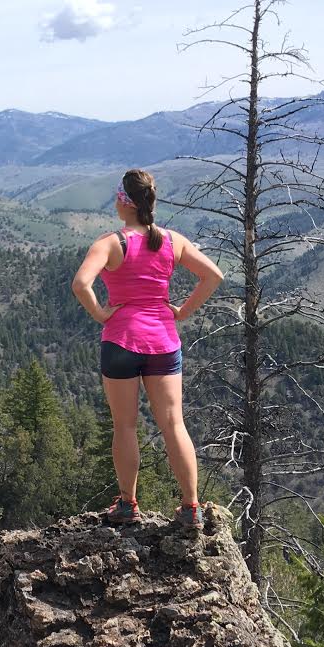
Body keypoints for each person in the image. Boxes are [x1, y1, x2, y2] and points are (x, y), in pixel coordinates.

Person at [71, 167, 223, 530]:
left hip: (121, 340)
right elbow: (213, 276)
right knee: (173, 423)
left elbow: (81, 284)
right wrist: (182, 311)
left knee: (125, 426)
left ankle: (128, 505)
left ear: (125, 202)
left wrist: (101, 314)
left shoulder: (109, 243)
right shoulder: (172, 241)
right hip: (163, 341)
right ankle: (190, 508)